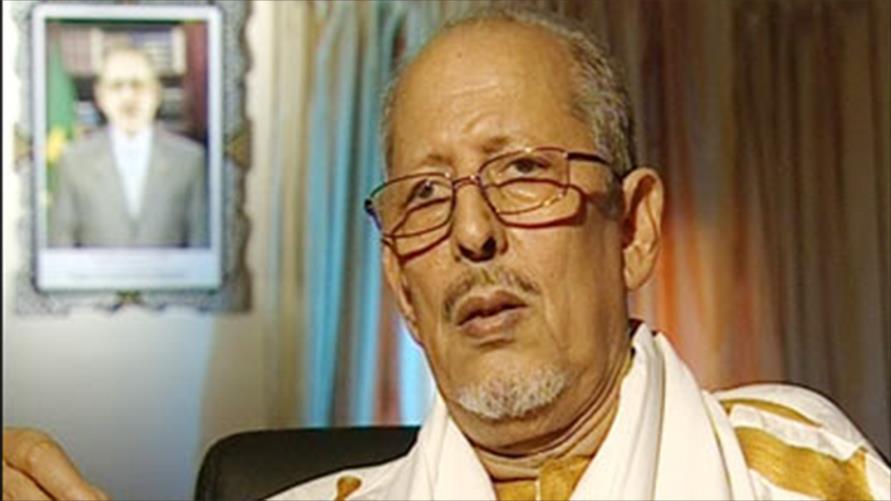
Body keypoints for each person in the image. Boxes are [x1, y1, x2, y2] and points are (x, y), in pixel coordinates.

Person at [4, 7, 889, 501]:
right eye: (425, 194)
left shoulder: (802, 472)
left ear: (633, 230)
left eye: (524, 171)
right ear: (400, 285)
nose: (471, 232)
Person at [48, 45, 208, 248]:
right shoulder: (74, 161)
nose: (128, 97)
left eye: (138, 85)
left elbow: (201, 244)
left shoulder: (189, 160)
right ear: (100, 96)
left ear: (156, 93)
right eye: (117, 86)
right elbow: (61, 246)